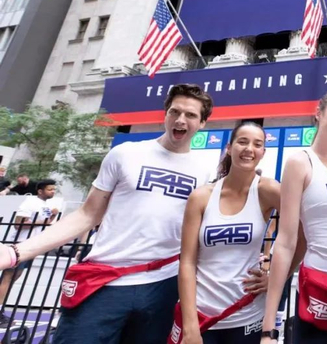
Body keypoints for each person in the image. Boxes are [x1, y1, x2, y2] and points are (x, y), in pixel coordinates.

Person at [0, 83, 214, 344]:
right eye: (175, 112)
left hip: (162, 286)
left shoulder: (204, 171)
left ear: (202, 123)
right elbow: (87, 214)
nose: (180, 120)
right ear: (165, 113)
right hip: (104, 280)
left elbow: (202, 236)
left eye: (190, 115)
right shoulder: (125, 153)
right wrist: (16, 252)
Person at [261, 90, 327, 344]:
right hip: (320, 293)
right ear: (318, 113)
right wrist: (268, 328)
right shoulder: (300, 162)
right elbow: (287, 241)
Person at [176, 122, 280, 344]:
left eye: (257, 144)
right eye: (242, 142)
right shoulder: (201, 197)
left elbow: (305, 230)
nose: (249, 149)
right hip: (202, 316)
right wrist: (190, 325)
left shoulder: (268, 190)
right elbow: (187, 262)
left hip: (248, 315)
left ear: (263, 152)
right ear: (229, 148)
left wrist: (277, 277)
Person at [0, 179, 60, 324]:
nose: (53, 192)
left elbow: (45, 224)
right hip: (20, 245)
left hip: (32, 246)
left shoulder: (45, 205)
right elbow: (18, 224)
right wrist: (43, 222)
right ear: (40, 191)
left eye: (54, 189)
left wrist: (52, 216)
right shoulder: (31, 202)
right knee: (8, 277)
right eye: (49, 189)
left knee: (14, 277)